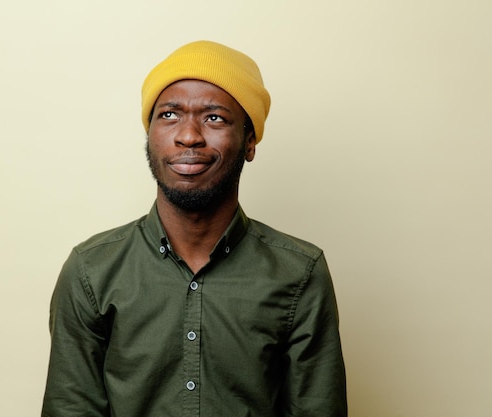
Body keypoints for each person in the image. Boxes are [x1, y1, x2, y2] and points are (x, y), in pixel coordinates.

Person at [41, 40, 347, 417]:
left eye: (214, 117)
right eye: (169, 115)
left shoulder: (300, 273)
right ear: (149, 135)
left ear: (249, 141)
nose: (188, 136)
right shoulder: (91, 271)